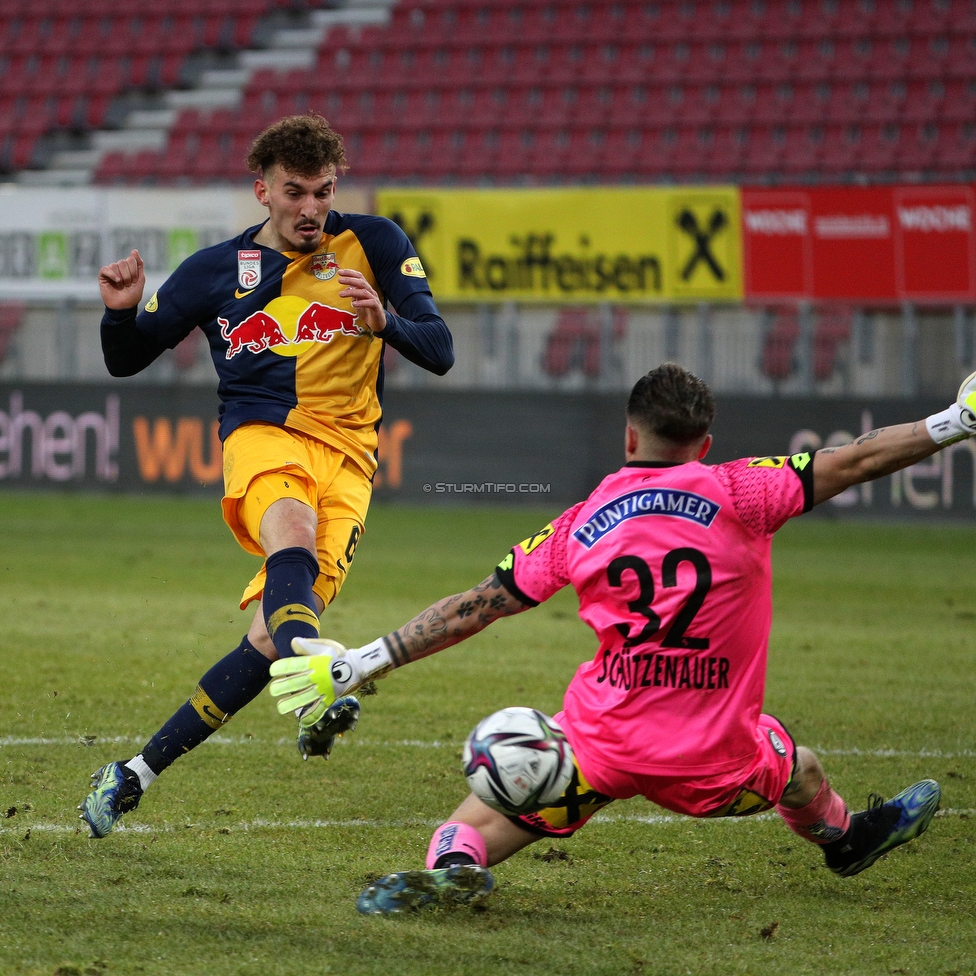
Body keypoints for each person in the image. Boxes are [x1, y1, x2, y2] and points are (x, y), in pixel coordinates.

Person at [269, 362, 976, 912]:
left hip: (601, 743)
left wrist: (366, 660)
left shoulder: (581, 523)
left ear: (629, 437)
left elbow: (476, 607)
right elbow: (856, 458)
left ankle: (453, 867)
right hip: (711, 763)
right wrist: (953, 421)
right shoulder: (743, 491)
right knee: (800, 768)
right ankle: (845, 838)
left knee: (486, 811)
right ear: (704, 444)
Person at [79, 113, 454, 839]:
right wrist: (120, 316)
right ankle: (320, 688)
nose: (311, 208)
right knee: (295, 543)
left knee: (266, 640)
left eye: (323, 191)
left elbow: (439, 349)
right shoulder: (216, 271)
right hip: (262, 436)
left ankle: (132, 773)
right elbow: (126, 359)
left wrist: (387, 326)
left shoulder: (376, 244)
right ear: (263, 191)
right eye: (294, 192)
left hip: (350, 458)